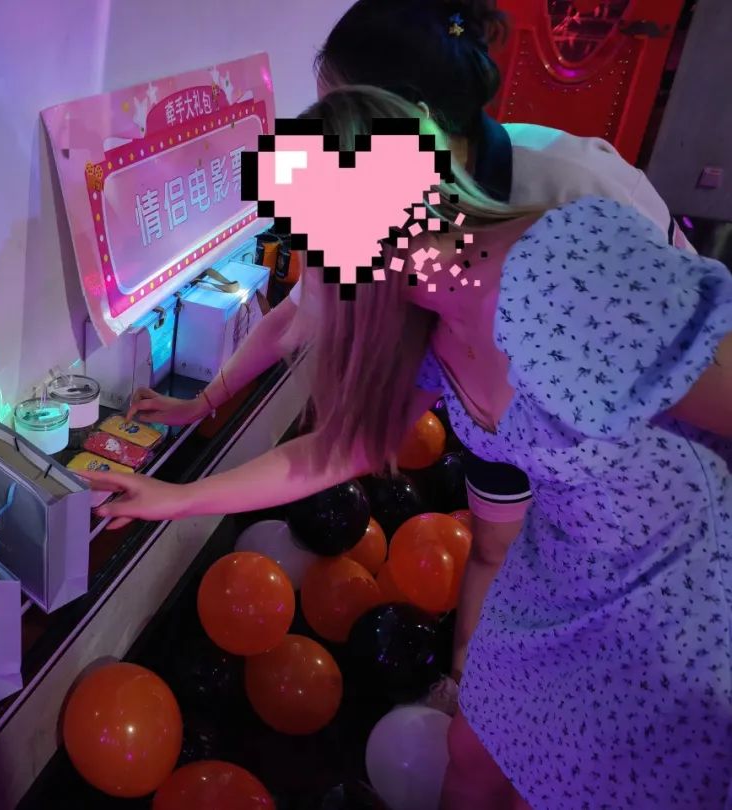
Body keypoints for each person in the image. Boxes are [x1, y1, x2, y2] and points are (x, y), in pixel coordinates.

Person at [87, 85, 732, 809]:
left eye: (307, 237)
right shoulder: (426, 313)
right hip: (555, 575)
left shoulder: (559, 264)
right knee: (472, 754)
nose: (304, 265)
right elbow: (337, 451)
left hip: (676, 607)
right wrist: (176, 498)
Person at [116, 0, 693, 683]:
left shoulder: (568, 240)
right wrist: (180, 490)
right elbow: (342, 442)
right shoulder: (417, 301)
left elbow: (695, 408)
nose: (324, 282)